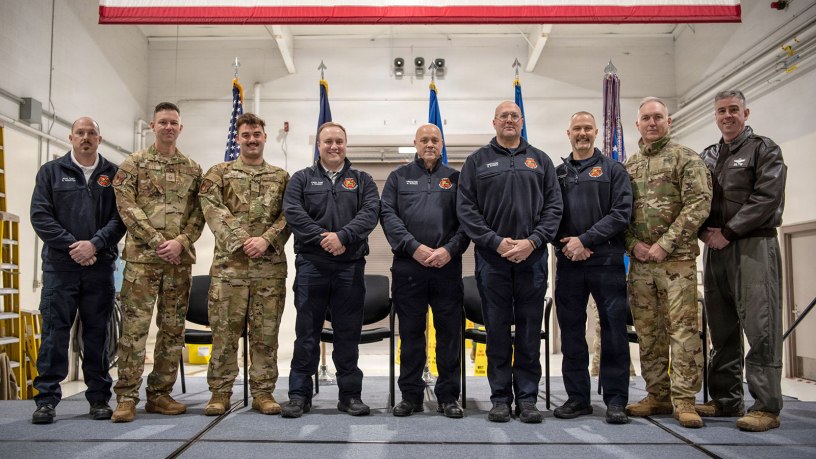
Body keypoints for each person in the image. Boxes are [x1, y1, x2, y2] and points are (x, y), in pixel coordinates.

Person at [457, 101, 562, 423]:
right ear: (494, 122)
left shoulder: (540, 160)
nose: (509, 120)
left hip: (532, 260)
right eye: (503, 116)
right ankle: (500, 399)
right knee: (498, 333)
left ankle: (528, 399)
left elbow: (554, 208)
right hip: (493, 261)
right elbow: (466, 210)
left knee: (530, 333)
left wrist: (532, 241)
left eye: (514, 116)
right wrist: (496, 242)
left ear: (521, 121)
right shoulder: (477, 162)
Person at [696, 90, 787, 432]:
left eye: (734, 109)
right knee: (722, 328)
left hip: (752, 246)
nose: (727, 115)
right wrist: (704, 231)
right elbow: (696, 199)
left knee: (761, 327)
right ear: (715, 115)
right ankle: (725, 399)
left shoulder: (764, 150)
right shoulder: (707, 155)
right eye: (721, 111)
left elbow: (767, 198)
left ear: (745, 112)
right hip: (715, 249)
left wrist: (728, 232)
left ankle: (766, 406)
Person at [110, 102, 205, 422]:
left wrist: (180, 242)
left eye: (173, 122)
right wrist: (156, 240)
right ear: (152, 126)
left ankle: (160, 395)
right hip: (142, 261)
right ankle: (126, 397)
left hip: (178, 263)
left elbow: (199, 214)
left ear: (181, 128)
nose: (168, 127)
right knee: (134, 331)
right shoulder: (133, 164)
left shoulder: (193, 168)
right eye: (163, 122)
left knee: (172, 331)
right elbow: (126, 207)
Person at [30, 117, 127, 424]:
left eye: (92, 133)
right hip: (61, 268)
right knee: (54, 334)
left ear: (100, 139)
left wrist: (94, 245)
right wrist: (74, 246)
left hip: (99, 268)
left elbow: (121, 218)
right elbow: (40, 216)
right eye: (81, 133)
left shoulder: (113, 174)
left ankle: (99, 399)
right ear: (71, 137)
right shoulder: (51, 173)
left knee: (98, 336)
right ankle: (46, 400)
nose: (86, 138)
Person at [281, 122, 380, 418]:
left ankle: (350, 396)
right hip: (312, 266)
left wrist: (343, 237)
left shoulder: (363, 180)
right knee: (307, 334)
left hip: (349, 267)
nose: (334, 146)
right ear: (319, 146)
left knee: (347, 335)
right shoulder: (300, 179)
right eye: (328, 142)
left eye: (339, 141)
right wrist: (325, 239)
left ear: (346, 144)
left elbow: (370, 213)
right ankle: (299, 396)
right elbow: (293, 213)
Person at [624, 97, 712, 429]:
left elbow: (699, 205)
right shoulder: (629, 166)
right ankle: (657, 394)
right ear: (637, 125)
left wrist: (664, 244)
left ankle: (685, 399)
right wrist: (634, 245)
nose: (651, 123)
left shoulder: (686, 159)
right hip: (641, 264)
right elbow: (620, 214)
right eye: (645, 118)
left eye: (657, 117)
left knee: (684, 332)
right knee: (648, 332)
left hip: (678, 263)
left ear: (668, 121)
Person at [198, 113, 291, 416]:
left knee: (266, 335)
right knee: (224, 334)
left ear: (265, 137)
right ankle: (220, 393)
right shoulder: (218, 173)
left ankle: (263, 393)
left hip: (269, 269)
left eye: (257, 134)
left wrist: (265, 239)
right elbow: (211, 208)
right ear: (237, 138)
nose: (252, 139)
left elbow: (290, 215)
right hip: (230, 269)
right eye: (246, 135)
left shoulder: (281, 177)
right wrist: (242, 238)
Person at [381, 124, 470, 418]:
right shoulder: (398, 178)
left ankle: (448, 397)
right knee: (411, 335)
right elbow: (388, 216)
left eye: (435, 139)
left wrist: (449, 250)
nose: (429, 144)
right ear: (415, 144)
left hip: (447, 267)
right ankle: (411, 396)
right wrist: (413, 246)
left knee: (449, 335)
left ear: (442, 143)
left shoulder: (456, 179)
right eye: (424, 140)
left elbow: (467, 222)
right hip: (409, 267)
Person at [553, 111, 633, 424]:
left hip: (607, 263)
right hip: (569, 263)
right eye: (577, 128)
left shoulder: (615, 171)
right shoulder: (557, 174)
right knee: (572, 332)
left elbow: (620, 214)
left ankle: (615, 400)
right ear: (568, 132)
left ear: (596, 132)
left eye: (588, 128)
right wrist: (568, 245)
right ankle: (577, 398)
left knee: (613, 332)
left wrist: (585, 240)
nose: (582, 133)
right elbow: (547, 216)